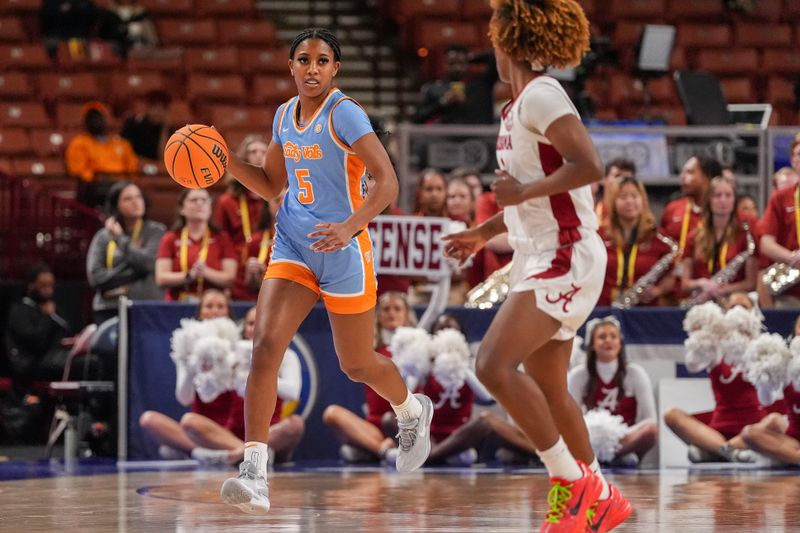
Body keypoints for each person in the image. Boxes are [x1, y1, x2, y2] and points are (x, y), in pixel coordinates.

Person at [217, 28, 434, 514]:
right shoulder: (282, 116)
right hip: (294, 241)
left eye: (321, 60)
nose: (311, 68)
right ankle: (254, 472)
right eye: (303, 60)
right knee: (265, 347)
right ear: (291, 67)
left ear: (335, 68)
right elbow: (272, 183)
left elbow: (389, 183)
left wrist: (349, 227)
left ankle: (410, 410)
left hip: (344, 249)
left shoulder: (345, 112)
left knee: (356, 364)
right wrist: (226, 161)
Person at [442, 2, 630, 530]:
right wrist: (484, 233)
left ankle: (572, 483)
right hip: (539, 251)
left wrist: (524, 189)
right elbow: (530, 204)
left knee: (492, 365)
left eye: (494, 37)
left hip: (567, 253)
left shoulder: (543, 94)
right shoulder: (515, 109)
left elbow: (588, 165)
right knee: (549, 387)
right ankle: (601, 494)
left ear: (510, 39)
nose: (491, 47)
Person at [140, 301, 305, 465]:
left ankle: (231, 455)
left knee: (295, 425)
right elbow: (195, 397)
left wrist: (253, 375)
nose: (214, 313)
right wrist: (196, 368)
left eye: (220, 307)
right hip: (219, 433)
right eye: (251, 323)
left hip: (265, 432)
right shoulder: (217, 354)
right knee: (183, 421)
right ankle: (247, 456)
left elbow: (292, 392)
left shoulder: (253, 353)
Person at [664, 292, 766, 463]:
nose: (738, 312)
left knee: (775, 423)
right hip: (719, 429)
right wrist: (699, 338)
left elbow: (769, 397)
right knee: (671, 415)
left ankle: (715, 452)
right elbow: (692, 365)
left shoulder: (762, 345)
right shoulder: (715, 346)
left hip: (753, 428)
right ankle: (729, 451)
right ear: (725, 312)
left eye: (744, 307)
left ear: (753, 312)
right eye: (733, 307)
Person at [322, 292, 415, 462]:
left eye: (397, 309)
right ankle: (383, 450)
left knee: (350, 452)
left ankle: (371, 450)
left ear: (407, 315)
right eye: (386, 309)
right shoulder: (370, 349)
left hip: (404, 424)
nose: (391, 313)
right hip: (375, 427)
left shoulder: (416, 347)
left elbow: (435, 310)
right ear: (379, 316)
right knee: (332, 413)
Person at [567, 317, 658, 466]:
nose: (608, 340)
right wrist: (596, 437)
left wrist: (617, 436)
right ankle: (605, 456)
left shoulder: (635, 373)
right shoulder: (579, 375)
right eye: (602, 337)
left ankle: (609, 456)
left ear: (620, 343)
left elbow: (650, 419)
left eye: (613, 336)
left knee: (651, 430)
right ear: (592, 345)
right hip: (591, 438)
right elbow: (570, 417)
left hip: (625, 438)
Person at [86, 181, 165, 324]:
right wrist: (136, 268)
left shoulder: (156, 231)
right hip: (109, 308)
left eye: (138, 197)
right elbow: (96, 278)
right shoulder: (103, 236)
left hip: (145, 307)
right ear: (116, 205)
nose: (136, 202)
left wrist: (119, 239)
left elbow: (148, 263)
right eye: (128, 199)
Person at [598, 177, 675, 307]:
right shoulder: (600, 237)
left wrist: (658, 291)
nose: (629, 201)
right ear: (613, 203)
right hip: (604, 309)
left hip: (644, 312)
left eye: (634, 196)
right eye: (623, 197)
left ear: (643, 200)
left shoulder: (658, 238)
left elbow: (672, 276)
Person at [681, 177, 757, 305]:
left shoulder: (746, 235)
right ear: (709, 200)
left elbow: (751, 283)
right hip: (700, 304)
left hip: (734, 304)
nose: (723, 200)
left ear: (734, 200)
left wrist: (725, 289)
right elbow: (684, 284)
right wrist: (701, 283)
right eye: (717, 195)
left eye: (728, 195)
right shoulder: (694, 237)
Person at [155, 189, 237, 302]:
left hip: (213, 304)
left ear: (210, 208)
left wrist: (205, 272)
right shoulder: (171, 238)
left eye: (204, 200)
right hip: (178, 302)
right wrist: (189, 275)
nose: (200, 203)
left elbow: (230, 278)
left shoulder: (222, 238)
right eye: (194, 200)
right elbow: (161, 278)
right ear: (182, 209)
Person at [213, 135, 269, 301]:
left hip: (270, 267)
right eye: (253, 152)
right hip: (237, 270)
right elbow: (221, 240)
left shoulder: (277, 199)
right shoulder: (227, 202)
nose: (259, 155)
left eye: (264, 152)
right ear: (243, 158)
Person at [5, 264, 73, 394]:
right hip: (32, 362)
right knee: (78, 364)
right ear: (31, 285)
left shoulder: (54, 309)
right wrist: (47, 318)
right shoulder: (21, 310)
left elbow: (65, 332)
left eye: (51, 285)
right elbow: (35, 342)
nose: (48, 290)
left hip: (53, 356)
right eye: (43, 285)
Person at [66, 101, 139, 208]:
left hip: (121, 183)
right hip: (95, 186)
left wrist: (126, 180)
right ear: (85, 121)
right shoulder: (79, 143)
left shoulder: (121, 143)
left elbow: (132, 167)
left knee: (139, 195)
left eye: (98, 116)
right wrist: (99, 178)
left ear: (106, 119)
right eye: (91, 118)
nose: (95, 121)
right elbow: (79, 171)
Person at [758, 141, 800, 308]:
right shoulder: (781, 198)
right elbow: (766, 244)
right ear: (792, 160)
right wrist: (793, 258)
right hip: (790, 293)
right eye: (799, 154)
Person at [659, 155, 722, 265]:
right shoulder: (672, 209)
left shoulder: (722, 214)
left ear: (707, 178)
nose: (682, 177)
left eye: (690, 172)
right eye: (683, 172)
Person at [413, 44, 498, 125]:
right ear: (444, 64)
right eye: (452, 63)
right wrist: (442, 103)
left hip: (479, 137)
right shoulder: (433, 88)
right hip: (444, 137)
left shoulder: (482, 85)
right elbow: (417, 119)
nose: (456, 67)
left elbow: (496, 57)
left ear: (467, 63)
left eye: (460, 63)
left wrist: (471, 57)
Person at [120, 90, 171, 161]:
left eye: (162, 108)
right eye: (155, 107)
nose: (158, 111)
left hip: (151, 160)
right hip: (134, 159)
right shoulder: (131, 122)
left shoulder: (159, 124)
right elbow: (124, 140)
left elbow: (160, 151)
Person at [594, 158, 636, 225]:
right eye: (617, 176)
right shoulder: (590, 211)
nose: (622, 182)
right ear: (603, 179)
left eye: (627, 179)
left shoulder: (640, 216)